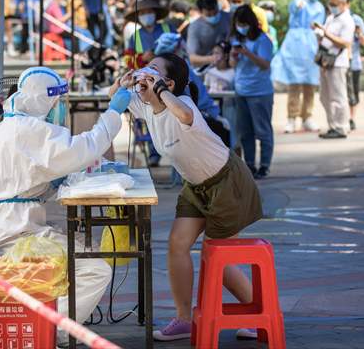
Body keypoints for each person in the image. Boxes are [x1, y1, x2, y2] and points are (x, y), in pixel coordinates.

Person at [109, 54, 262, 342]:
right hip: (196, 186)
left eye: (152, 70)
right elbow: (113, 99)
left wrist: (161, 91)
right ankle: (183, 319)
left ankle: (257, 313)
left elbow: (185, 116)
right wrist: (123, 82)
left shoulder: (183, 104)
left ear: (168, 83)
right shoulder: (145, 105)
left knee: (218, 257)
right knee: (177, 245)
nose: (145, 72)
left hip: (227, 182)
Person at [0, 66, 132, 347]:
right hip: (15, 233)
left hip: (6, 225)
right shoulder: (28, 130)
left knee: (83, 249)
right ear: (44, 101)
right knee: (96, 268)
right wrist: (113, 113)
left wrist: (51, 181)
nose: (58, 110)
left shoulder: (7, 127)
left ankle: (51, 323)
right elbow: (83, 147)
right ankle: (51, 331)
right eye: (56, 103)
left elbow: (22, 178)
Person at [271, 0, 326, 134]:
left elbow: (319, 26)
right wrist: (298, 4)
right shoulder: (299, 0)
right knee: (294, 84)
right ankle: (291, 118)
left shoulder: (320, 7)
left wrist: (319, 33)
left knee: (310, 84)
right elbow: (294, 8)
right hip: (295, 45)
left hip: (311, 46)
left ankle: (307, 117)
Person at [230, 5, 275, 179]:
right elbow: (233, 65)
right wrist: (234, 56)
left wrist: (247, 53)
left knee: (263, 130)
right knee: (245, 132)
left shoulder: (263, 40)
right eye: (238, 24)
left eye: (243, 23)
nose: (241, 27)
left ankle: (264, 165)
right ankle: (249, 164)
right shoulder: (237, 39)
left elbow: (265, 64)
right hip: (241, 91)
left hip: (260, 92)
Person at [314, 0, 356, 139]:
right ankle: (332, 125)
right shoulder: (331, 17)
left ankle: (341, 127)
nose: (331, 6)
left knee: (338, 96)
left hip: (337, 63)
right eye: (330, 3)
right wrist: (319, 33)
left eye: (334, 4)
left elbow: (345, 43)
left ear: (344, 4)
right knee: (324, 96)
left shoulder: (347, 20)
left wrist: (325, 33)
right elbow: (326, 37)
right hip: (325, 61)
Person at [124, 0, 175, 70]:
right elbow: (128, 60)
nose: (146, 15)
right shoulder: (135, 36)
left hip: (171, 71)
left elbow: (182, 49)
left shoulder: (169, 28)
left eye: (149, 12)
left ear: (155, 13)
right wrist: (142, 58)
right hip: (148, 77)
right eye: (142, 13)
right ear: (138, 17)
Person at [186, 0, 231, 68]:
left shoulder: (229, 17)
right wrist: (213, 58)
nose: (213, 16)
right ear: (200, 12)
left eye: (216, 13)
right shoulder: (195, 27)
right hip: (205, 68)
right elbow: (192, 58)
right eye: (209, 15)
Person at [348, 10, 364, 131]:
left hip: (354, 62)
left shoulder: (356, 19)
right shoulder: (332, 18)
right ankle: (343, 118)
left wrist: (359, 33)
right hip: (338, 63)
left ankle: (351, 119)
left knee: (353, 93)